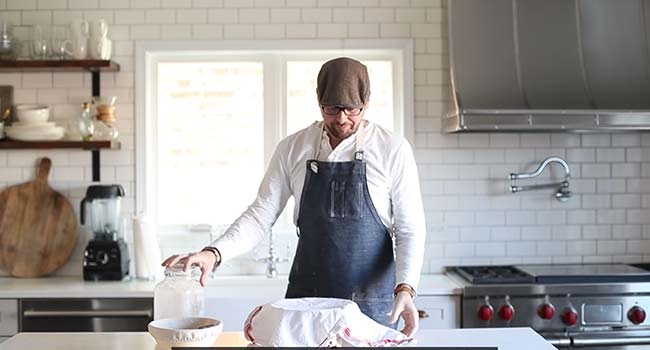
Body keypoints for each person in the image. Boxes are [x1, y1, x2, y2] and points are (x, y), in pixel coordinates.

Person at [162, 57, 426, 336]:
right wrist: (213, 253)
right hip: (306, 304)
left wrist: (406, 287)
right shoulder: (293, 148)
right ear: (319, 101)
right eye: (331, 109)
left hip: (372, 306)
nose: (341, 119)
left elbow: (410, 229)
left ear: (367, 103)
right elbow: (260, 214)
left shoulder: (393, 149)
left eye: (352, 109)